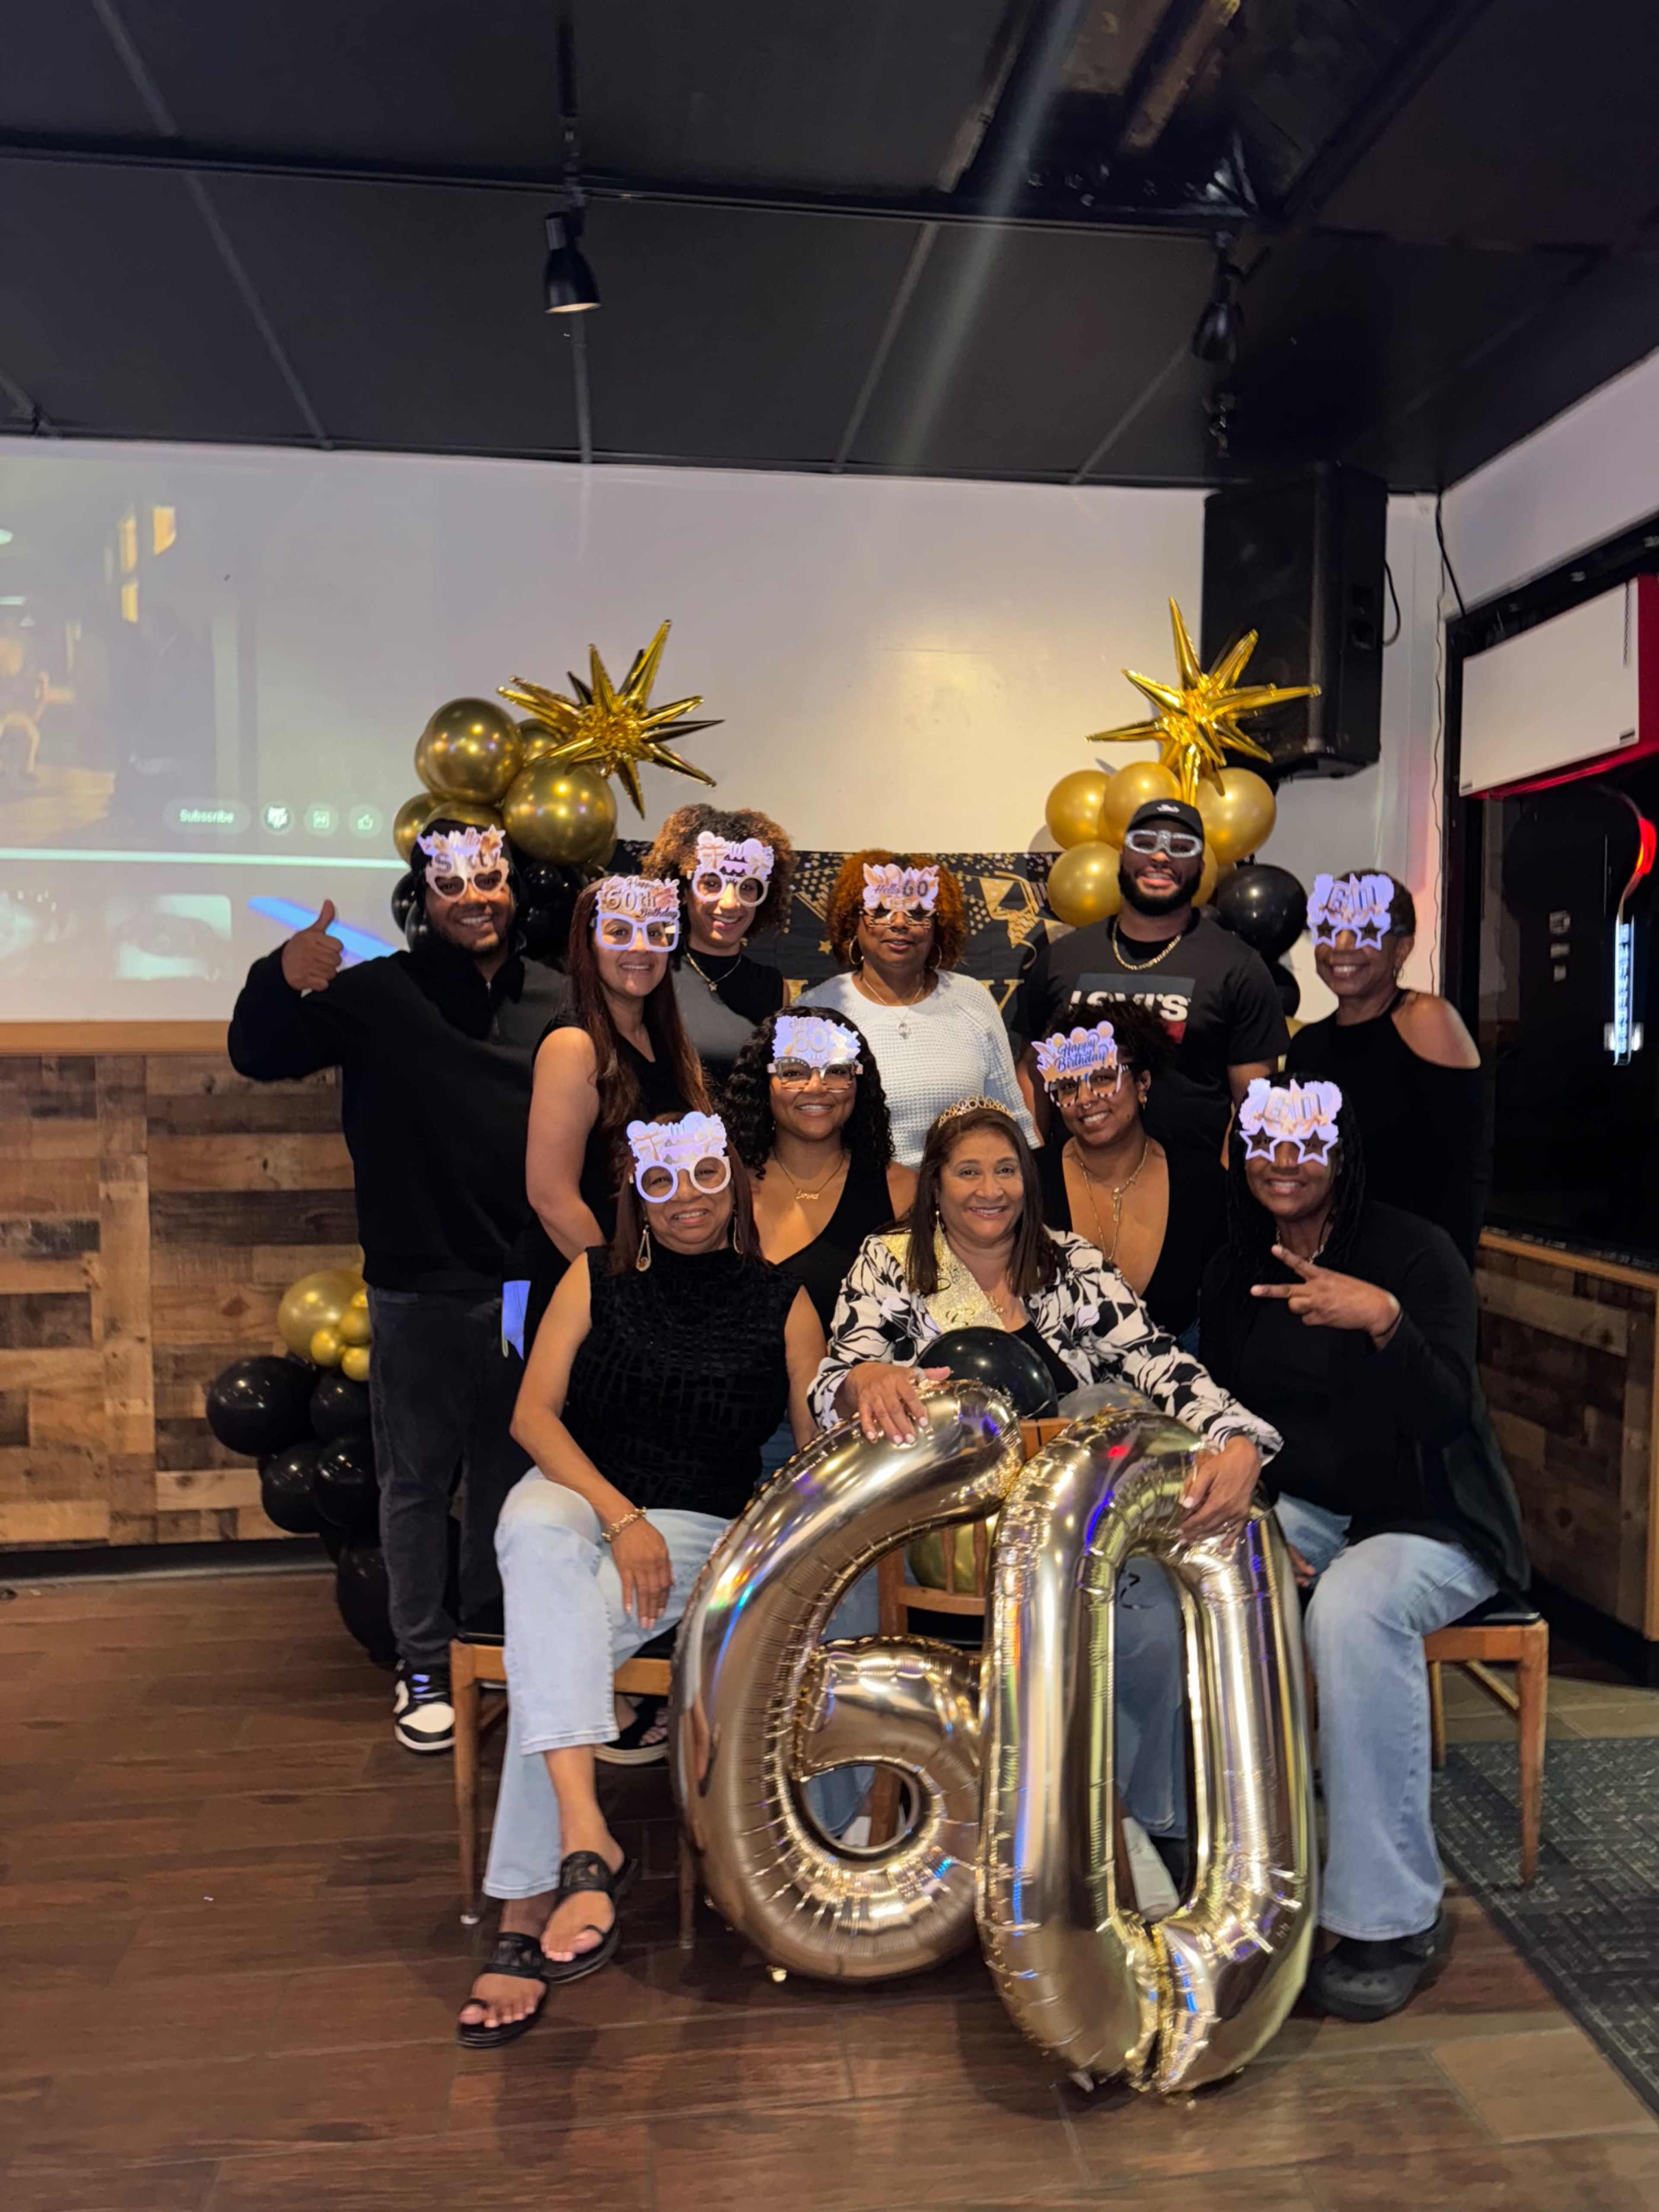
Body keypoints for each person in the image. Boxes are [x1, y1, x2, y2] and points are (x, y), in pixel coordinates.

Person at [813, 1096, 1280, 1855]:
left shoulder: (1074, 1263)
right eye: (967, 1171)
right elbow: (837, 1373)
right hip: (935, 1538)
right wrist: (861, 1380)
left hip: (1069, 1544)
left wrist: (1233, 1435)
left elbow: (1160, 1361)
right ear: (935, 1185)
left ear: (1029, 1181)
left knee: (1157, 1624)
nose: (988, 1188)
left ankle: (1135, 1821)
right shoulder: (888, 1259)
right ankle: (846, 1831)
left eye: (1006, 1169)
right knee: (830, 1614)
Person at [457, 1110, 825, 2047]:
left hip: (699, 1523)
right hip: (585, 1496)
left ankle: (523, 1913)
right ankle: (588, 1827)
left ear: (734, 1181)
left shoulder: (784, 1300)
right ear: (637, 1196)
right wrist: (619, 1519)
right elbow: (534, 1418)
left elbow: (813, 1459)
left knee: (551, 1628)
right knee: (532, 1526)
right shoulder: (594, 1278)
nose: (687, 1199)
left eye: (706, 1176)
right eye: (664, 1183)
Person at [226, 821, 567, 1754]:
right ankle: (424, 1661)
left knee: (511, 1478)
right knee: (416, 1482)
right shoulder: (379, 993)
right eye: (452, 882)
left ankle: (493, 1645)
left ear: (512, 885)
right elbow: (258, 1053)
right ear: (426, 894)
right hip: (415, 1284)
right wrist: (278, 973)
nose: (474, 896)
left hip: (525, 1287)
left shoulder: (562, 1003)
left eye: (489, 879)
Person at [1198, 1075, 1528, 2020]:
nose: (1285, 1164)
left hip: (1431, 1515)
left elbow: (1450, 1413)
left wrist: (1383, 1321)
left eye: (1305, 1147)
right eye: (1267, 1145)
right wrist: (1257, 1513)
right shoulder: (1235, 1267)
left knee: (1349, 1608)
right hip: (1304, 1506)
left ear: (1338, 1152)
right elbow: (1228, 1418)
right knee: (1181, 1570)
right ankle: (1196, 1853)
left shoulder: (1416, 1255)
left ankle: (1390, 1920)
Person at [1016, 796, 1286, 1169]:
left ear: (1201, 866)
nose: (1161, 857)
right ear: (1122, 857)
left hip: (1193, 1196)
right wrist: (1034, 1166)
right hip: (1074, 1187)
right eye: (1145, 843)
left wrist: (1226, 1192)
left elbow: (1254, 1101)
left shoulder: (1238, 967)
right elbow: (1032, 1066)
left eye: (1180, 847)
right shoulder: (1063, 958)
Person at [504, 875, 708, 1362]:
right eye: (619, 931)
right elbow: (551, 1197)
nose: (640, 946)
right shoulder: (573, 1044)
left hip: (633, 1291)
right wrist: (626, 1290)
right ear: (588, 942)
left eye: (657, 930)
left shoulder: (667, 1043)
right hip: (565, 1286)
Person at [1286, 870, 1487, 1265]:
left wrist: (1441, 1284)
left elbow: (1466, 1175)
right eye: (1329, 929)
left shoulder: (1427, 1020)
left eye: (1364, 931)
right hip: (1328, 1267)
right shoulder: (1307, 1047)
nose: (1341, 946)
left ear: (1403, 949)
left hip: (1412, 1273)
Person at [796, 853, 1035, 1164]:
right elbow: (798, 1128)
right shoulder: (817, 1010)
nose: (899, 924)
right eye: (881, 910)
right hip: (863, 1200)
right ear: (852, 922)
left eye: (918, 912)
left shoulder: (971, 998)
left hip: (963, 1200)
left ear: (938, 925)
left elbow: (1012, 1117)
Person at [1031, 1002, 1223, 1343]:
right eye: (1068, 1086)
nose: (1086, 1099)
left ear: (1142, 1083)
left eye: (1103, 1079)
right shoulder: (1027, 1181)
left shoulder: (1203, 1184)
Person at [724, 1009, 916, 1333]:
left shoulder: (903, 1191)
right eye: (794, 1071)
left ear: (859, 1083)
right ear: (763, 1082)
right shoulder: (723, 1187)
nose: (816, 1087)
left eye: (837, 1071)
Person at [642, 803, 794, 1091]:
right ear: (682, 892)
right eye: (712, 883)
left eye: (747, 887)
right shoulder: (652, 970)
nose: (731, 903)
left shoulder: (773, 988)